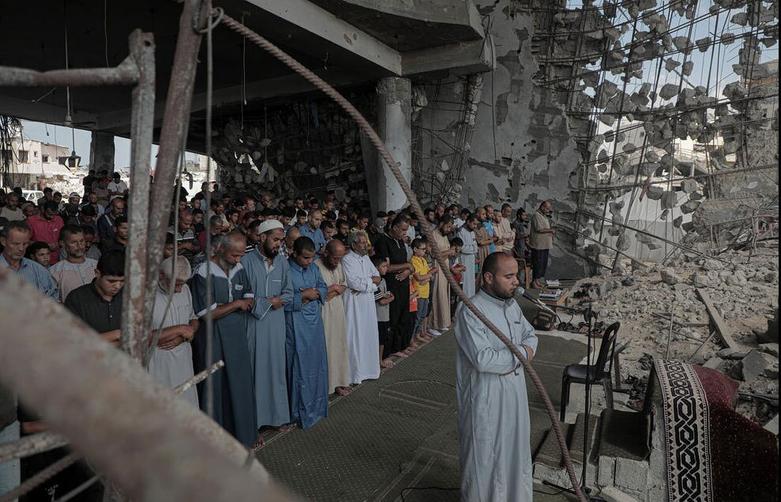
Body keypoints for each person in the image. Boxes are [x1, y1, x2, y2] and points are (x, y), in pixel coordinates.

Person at [454, 251, 538, 502]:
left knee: (515, 450)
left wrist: (523, 351)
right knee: (485, 458)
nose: (516, 282)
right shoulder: (470, 310)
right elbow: (483, 359)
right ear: (489, 278)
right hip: (486, 397)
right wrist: (522, 354)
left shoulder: (511, 305)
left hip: (515, 393)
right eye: (509, 276)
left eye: (516, 275)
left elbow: (530, 335)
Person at [189, 231, 257, 447]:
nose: (237, 260)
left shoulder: (239, 268)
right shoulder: (203, 272)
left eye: (240, 255)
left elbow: (249, 297)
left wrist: (227, 306)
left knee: (239, 383)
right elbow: (206, 313)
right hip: (213, 336)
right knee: (215, 386)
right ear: (220, 250)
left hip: (236, 334)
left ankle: (243, 435)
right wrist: (236, 304)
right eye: (234, 255)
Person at [241, 219, 293, 431]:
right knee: (256, 371)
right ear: (262, 237)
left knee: (276, 370)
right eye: (275, 239)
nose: (279, 244)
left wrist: (278, 300)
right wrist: (269, 302)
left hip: (276, 325)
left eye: (281, 240)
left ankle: (278, 418)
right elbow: (241, 295)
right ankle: (255, 422)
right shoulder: (245, 261)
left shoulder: (282, 262)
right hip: (254, 325)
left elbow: (289, 293)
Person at [285, 236, 329, 430]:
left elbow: (323, 287)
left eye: (312, 257)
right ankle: (297, 412)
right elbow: (280, 298)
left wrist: (315, 293)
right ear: (294, 253)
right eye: (305, 258)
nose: (309, 261)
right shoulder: (285, 269)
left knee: (317, 364)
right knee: (298, 366)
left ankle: (317, 406)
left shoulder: (314, 268)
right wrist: (302, 295)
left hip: (314, 322)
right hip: (295, 323)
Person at [148, 256, 199, 407]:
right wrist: (180, 329)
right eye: (176, 284)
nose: (179, 290)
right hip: (158, 363)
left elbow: (193, 320)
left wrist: (183, 336)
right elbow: (142, 338)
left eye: (182, 284)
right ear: (161, 275)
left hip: (184, 361)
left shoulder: (185, 290)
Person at [342, 230, 382, 384]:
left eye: (366, 242)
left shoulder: (365, 258)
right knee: (355, 336)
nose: (366, 245)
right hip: (354, 304)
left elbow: (378, 276)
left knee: (368, 334)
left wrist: (367, 284)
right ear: (353, 244)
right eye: (363, 243)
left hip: (367, 303)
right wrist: (370, 283)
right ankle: (355, 374)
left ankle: (369, 370)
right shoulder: (347, 259)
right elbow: (353, 283)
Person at [372, 214, 414, 357]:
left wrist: (407, 270)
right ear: (395, 227)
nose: (405, 233)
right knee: (393, 318)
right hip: (391, 284)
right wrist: (406, 266)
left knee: (403, 316)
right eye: (403, 229)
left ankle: (400, 346)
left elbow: (408, 263)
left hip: (404, 283)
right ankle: (388, 352)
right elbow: (386, 267)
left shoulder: (400, 241)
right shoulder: (383, 241)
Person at [64, 250, 126, 345]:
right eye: (111, 281)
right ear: (97, 273)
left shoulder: (130, 296)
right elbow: (72, 340)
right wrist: (115, 335)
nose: (117, 286)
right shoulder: (77, 298)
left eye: (122, 281)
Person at [315, 239, 352, 396]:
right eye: (335, 258)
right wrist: (333, 289)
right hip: (324, 312)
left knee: (339, 345)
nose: (337, 262)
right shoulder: (316, 266)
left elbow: (343, 285)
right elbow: (318, 293)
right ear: (326, 253)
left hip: (337, 309)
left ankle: (338, 382)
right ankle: (327, 385)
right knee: (327, 346)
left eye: (340, 258)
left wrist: (335, 289)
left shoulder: (338, 265)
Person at [0, 222, 58, 299]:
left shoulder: (38, 270)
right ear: (3, 241)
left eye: (25, 244)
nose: (21, 248)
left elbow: (53, 297)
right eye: (16, 244)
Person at [49, 225, 98, 303]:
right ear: (62, 243)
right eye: (74, 242)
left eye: (82, 241)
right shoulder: (54, 272)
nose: (79, 246)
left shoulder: (97, 265)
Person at [430, 216, 454, 335]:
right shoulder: (433, 234)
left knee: (444, 294)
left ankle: (443, 322)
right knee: (437, 293)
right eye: (447, 226)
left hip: (445, 267)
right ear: (441, 223)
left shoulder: (444, 236)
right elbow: (433, 254)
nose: (449, 229)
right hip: (437, 267)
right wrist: (448, 252)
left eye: (450, 227)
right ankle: (433, 324)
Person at [410, 238, 436, 347]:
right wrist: (429, 275)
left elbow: (425, 275)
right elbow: (419, 278)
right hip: (418, 293)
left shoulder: (423, 260)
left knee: (423, 316)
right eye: (423, 249)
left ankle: (417, 335)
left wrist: (427, 277)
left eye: (425, 249)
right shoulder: (413, 260)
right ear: (415, 249)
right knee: (417, 317)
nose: (425, 251)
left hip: (425, 291)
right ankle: (411, 339)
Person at [371, 255, 395, 369]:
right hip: (378, 316)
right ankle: (378, 361)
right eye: (383, 266)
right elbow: (381, 301)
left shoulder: (384, 280)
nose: (386, 268)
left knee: (383, 339)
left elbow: (386, 294)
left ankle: (379, 360)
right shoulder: (375, 282)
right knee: (379, 340)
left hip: (385, 315)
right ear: (376, 268)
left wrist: (387, 296)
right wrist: (391, 298)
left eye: (386, 266)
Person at [529, 200, 555, 289]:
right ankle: (533, 282)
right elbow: (539, 229)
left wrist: (550, 233)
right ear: (542, 207)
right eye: (547, 209)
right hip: (538, 245)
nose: (548, 211)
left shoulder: (543, 216)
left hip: (545, 245)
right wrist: (551, 230)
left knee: (542, 264)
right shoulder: (536, 215)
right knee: (537, 263)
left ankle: (537, 281)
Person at [457, 215, 479, 298]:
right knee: (465, 282)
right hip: (464, 260)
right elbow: (462, 248)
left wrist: (473, 249)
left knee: (471, 281)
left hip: (471, 260)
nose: (475, 226)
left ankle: (471, 299)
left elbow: (476, 246)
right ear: (468, 221)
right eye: (474, 224)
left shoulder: (472, 232)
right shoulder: (461, 231)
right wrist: (473, 248)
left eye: (476, 224)